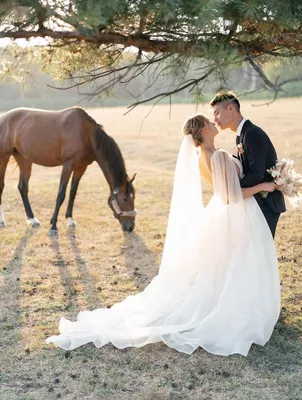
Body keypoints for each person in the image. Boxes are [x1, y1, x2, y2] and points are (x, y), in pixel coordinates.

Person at [46, 115, 280, 356]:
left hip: (222, 213)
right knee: (232, 265)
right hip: (231, 215)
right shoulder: (217, 156)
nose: (213, 123)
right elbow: (230, 195)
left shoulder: (204, 156)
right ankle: (233, 309)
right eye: (209, 123)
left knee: (223, 267)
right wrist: (263, 187)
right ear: (204, 131)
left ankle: (234, 305)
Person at [210, 90, 286, 237]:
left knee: (261, 252)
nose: (215, 119)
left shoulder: (251, 134)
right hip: (257, 201)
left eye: (217, 113)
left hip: (266, 202)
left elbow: (256, 174)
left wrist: (235, 190)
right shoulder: (241, 135)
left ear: (231, 108)